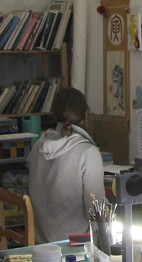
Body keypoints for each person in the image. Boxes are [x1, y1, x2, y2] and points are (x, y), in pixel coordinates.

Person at [27, 88, 105, 243]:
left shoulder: (38, 146)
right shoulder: (87, 152)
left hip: (40, 242)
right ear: (86, 115)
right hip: (74, 243)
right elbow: (95, 212)